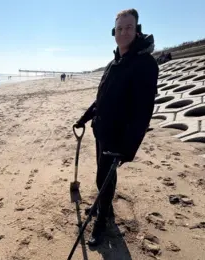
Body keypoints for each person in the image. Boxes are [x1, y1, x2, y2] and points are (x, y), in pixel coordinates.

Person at [74, 8, 159, 246]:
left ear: (137, 29)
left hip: (118, 136)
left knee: (105, 178)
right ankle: (106, 208)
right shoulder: (114, 62)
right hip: (102, 130)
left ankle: (102, 220)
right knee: (103, 176)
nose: (123, 32)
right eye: (120, 28)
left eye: (128, 27)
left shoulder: (145, 63)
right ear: (114, 32)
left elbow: (144, 112)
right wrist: (85, 117)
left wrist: (127, 148)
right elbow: (103, 98)